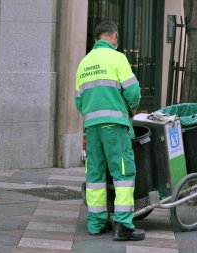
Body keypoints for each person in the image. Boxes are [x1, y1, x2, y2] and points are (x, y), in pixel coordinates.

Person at [75, 21, 145, 241]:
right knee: (123, 173)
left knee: (95, 174)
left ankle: (96, 223)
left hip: (92, 128)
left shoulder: (84, 63)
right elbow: (133, 91)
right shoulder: (118, 58)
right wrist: (129, 109)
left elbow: (78, 100)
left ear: (96, 39)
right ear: (113, 36)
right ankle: (123, 225)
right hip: (114, 125)